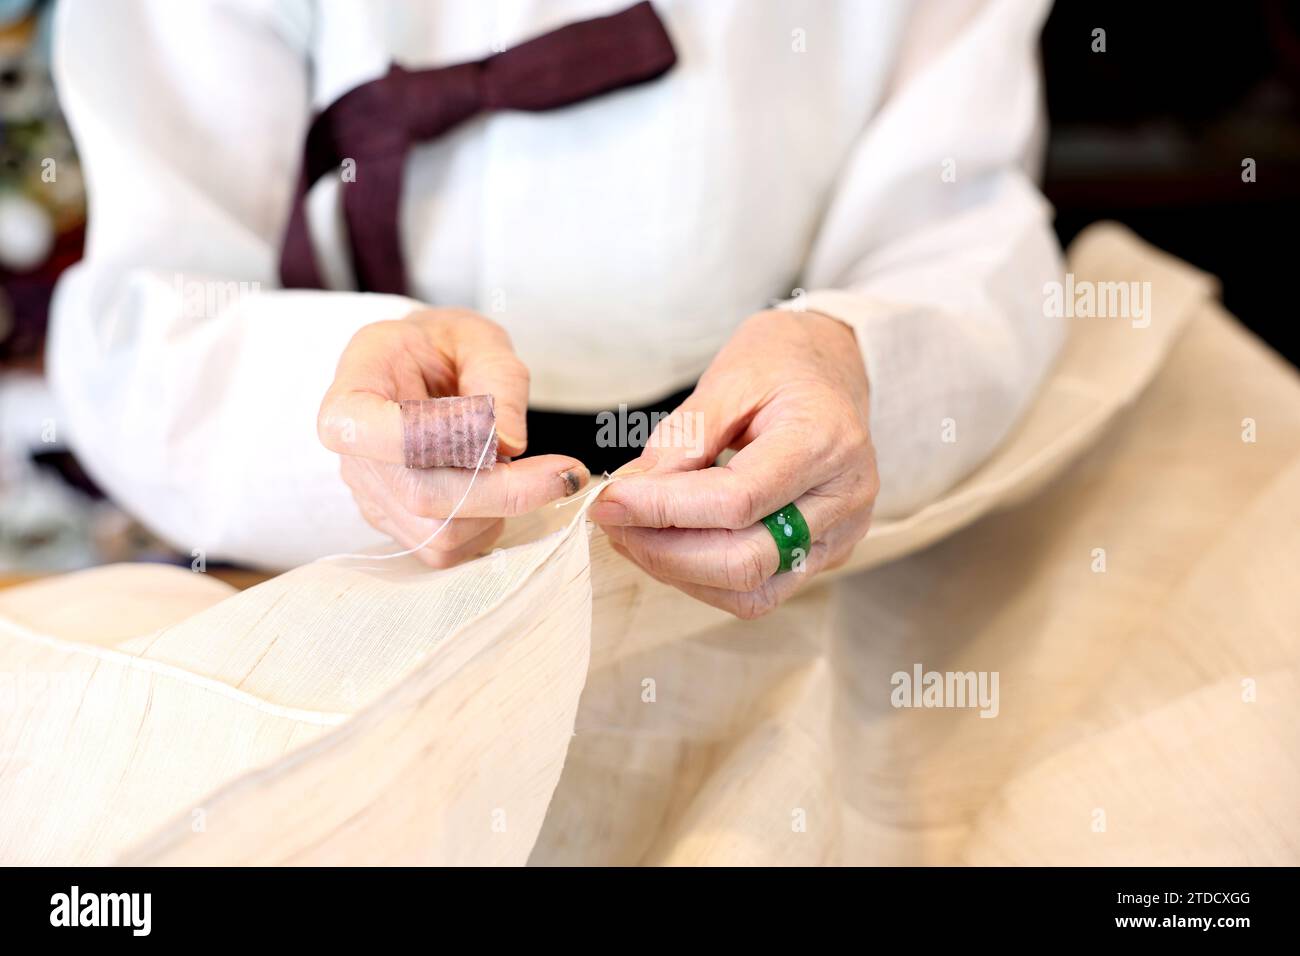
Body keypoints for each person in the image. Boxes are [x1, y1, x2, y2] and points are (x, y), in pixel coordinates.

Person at [48, 0, 1062, 617]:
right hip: (328, 547)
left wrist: (855, 355)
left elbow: (959, 226)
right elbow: (147, 321)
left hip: (791, 513)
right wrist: (336, 415)